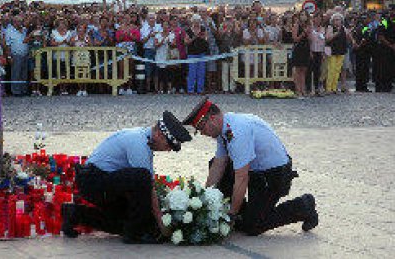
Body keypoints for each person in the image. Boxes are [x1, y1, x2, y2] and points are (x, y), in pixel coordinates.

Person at [183, 97, 318, 236]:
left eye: (201, 128)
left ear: (212, 119)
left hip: (273, 176)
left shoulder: (237, 132)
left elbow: (242, 177)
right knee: (214, 163)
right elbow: (219, 164)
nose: (202, 133)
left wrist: (232, 216)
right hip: (257, 172)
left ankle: (303, 205)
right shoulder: (224, 128)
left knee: (253, 226)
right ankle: (239, 209)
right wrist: (204, 199)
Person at [62, 111, 192, 244]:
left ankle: (76, 214)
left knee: (124, 223)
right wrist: (161, 223)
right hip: (94, 182)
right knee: (142, 177)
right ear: (159, 134)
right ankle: (136, 233)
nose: (168, 150)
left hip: (101, 182)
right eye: (168, 145)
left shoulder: (144, 140)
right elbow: (147, 186)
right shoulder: (139, 143)